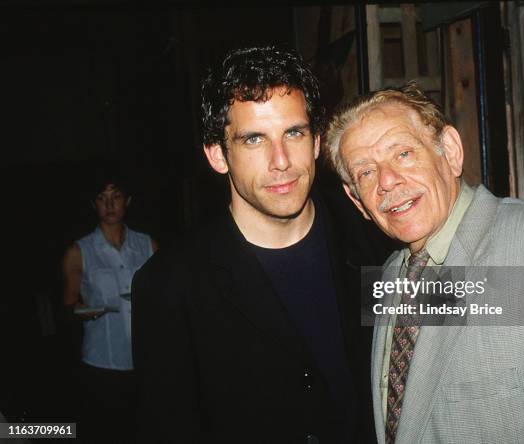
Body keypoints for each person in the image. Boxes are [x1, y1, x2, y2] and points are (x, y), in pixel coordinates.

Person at [323, 82, 524, 443]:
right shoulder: (389, 274)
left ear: (451, 151)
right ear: (357, 200)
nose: (387, 181)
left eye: (403, 154)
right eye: (366, 172)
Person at [131, 46, 374, 443]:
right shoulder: (170, 285)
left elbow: (492, 306)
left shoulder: (372, 236)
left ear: (316, 141)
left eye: (293, 133)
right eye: (253, 140)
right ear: (217, 155)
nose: (281, 160)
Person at [62, 172, 157, 442]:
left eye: (115, 197)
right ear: (94, 205)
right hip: (102, 360)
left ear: (127, 201)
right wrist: (86, 310)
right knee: (107, 431)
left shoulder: (147, 244)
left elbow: (163, 297)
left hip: (144, 360)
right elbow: (68, 308)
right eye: (102, 199)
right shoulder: (79, 251)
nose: (110, 204)